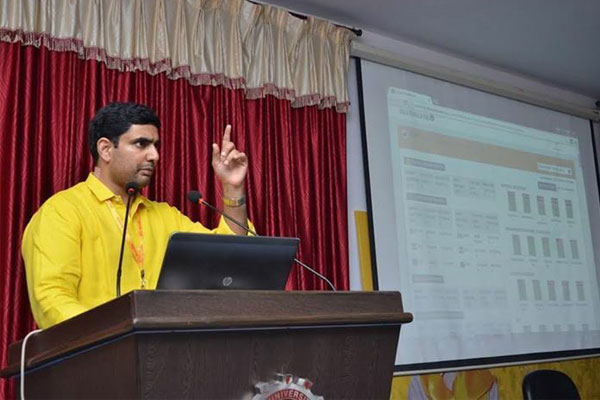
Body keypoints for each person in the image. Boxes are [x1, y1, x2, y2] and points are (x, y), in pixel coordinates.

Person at [22, 102, 252, 329]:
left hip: (164, 354)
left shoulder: (165, 216)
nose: (154, 156)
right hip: (95, 357)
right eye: (141, 144)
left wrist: (232, 188)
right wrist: (119, 336)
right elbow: (52, 300)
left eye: (155, 145)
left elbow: (231, 256)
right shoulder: (62, 212)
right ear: (105, 149)